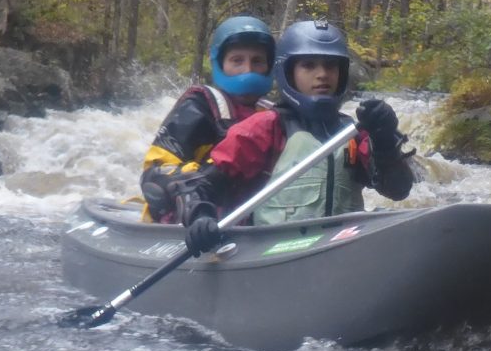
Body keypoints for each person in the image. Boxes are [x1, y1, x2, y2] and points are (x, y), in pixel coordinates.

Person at [171, 19, 412, 253]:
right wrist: (200, 215)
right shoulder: (267, 126)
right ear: (288, 71)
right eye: (308, 65)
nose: (322, 75)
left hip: (341, 248)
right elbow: (203, 183)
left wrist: (384, 140)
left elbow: (398, 190)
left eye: (330, 66)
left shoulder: (353, 132)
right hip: (277, 254)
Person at [139, 14, 276, 221]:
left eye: (257, 61)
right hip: (200, 221)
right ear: (220, 64)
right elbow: (154, 173)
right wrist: (192, 188)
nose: (248, 70)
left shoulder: (274, 113)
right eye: (237, 61)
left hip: (255, 221)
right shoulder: (199, 106)